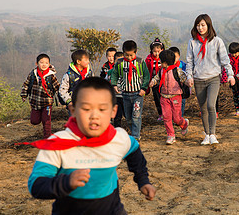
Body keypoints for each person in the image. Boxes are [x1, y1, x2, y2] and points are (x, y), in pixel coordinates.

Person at [26, 77, 156, 214]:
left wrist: (143, 180)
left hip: (112, 209)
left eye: (102, 109)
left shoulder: (118, 138)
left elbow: (134, 151)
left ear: (113, 111)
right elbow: (36, 185)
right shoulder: (58, 143)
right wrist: (65, 182)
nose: (94, 116)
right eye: (86, 109)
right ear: (73, 110)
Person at [185, 14, 235, 145]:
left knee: (210, 105)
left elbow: (225, 60)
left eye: (203, 25)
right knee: (203, 108)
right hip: (198, 79)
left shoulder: (217, 41)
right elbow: (189, 62)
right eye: (198, 25)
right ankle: (206, 134)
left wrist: (230, 75)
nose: (200, 28)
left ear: (208, 25)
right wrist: (189, 76)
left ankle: (213, 134)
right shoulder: (192, 42)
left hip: (213, 78)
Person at [110, 40, 150, 140]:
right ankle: (133, 133)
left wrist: (144, 88)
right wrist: (114, 85)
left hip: (138, 94)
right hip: (126, 94)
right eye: (126, 55)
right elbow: (114, 74)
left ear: (135, 52)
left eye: (131, 55)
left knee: (136, 115)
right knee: (128, 117)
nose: (129, 57)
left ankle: (136, 136)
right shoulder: (120, 63)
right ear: (123, 53)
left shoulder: (140, 62)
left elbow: (146, 76)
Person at [149, 50, 189, 145]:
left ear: (165, 62)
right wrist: (152, 82)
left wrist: (188, 82)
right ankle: (171, 135)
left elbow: (185, 78)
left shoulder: (177, 71)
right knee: (166, 117)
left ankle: (184, 123)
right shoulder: (161, 71)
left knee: (176, 118)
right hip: (164, 97)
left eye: (161, 61)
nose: (160, 63)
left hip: (176, 96)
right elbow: (156, 78)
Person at [20, 54, 60, 138]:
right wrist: (24, 95)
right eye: (41, 62)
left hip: (47, 102)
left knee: (47, 121)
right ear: (36, 63)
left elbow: (57, 87)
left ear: (49, 64)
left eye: (46, 63)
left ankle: (47, 138)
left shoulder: (51, 75)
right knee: (34, 121)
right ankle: (42, 118)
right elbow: (26, 84)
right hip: (35, 102)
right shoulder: (33, 74)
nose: (44, 64)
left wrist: (60, 99)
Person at [59, 49, 93, 115]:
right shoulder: (68, 75)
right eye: (86, 60)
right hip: (74, 104)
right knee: (74, 123)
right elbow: (62, 90)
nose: (88, 62)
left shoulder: (89, 73)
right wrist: (69, 101)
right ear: (78, 61)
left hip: (88, 103)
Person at [221, 42, 239, 117]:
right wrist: (224, 80)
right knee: (235, 95)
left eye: (235, 53)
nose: (234, 55)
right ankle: (237, 110)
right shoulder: (228, 58)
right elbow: (225, 69)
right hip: (233, 80)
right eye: (232, 53)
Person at [145, 38, 164, 121]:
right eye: (154, 51)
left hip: (163, 82)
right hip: (154, 83)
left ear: (162, 50)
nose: (156, 53)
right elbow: (146, 70)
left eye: (158, 51)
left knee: (165, 98)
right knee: (157, 98)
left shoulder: (164, 59)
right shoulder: (149, 60)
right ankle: (161, 114)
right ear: (151, 51)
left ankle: (167, 113)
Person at [168, 46, 188, 117]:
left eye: (175, 57)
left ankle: (180, 117)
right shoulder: (167, 67)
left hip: (182, 89)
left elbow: (187, 75)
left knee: (181, 103)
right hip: (172, 90)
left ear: (179, 56)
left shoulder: (182, 65)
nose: (173, 59)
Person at [108, 51, 124, 128]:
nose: (119, 63)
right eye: (117, 61)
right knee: (117, 116)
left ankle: (133, 131)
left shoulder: (127, 71)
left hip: (126, 96)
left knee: (129, 115)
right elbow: (106, 83)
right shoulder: (110, 72)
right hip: (116, 97)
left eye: (121, 61)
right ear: (114, 62)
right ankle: (117, 130)